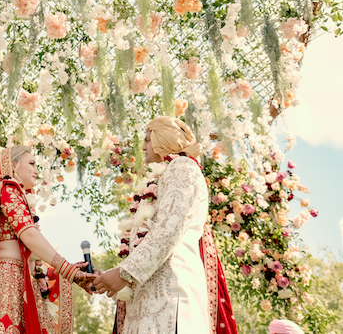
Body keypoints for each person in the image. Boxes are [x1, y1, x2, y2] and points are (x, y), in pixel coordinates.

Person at [93, 116, 238, 334]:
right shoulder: (161, 177)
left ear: (164, 138)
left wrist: (124, 273)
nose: (143, 146)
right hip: (146, 299)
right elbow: (146, 241)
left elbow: (169, 231)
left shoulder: (183, 168)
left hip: (171, 296)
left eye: (148, 139)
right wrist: (112, 274)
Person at [0, 145, 95, 334]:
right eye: (31, 163)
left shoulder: (18, 197)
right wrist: (67, 270)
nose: (36, 170)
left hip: (22, 283)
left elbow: (32, 265)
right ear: (13, 166)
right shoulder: (8, 189)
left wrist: (66, 271)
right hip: (7, 282)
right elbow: (30, 235)